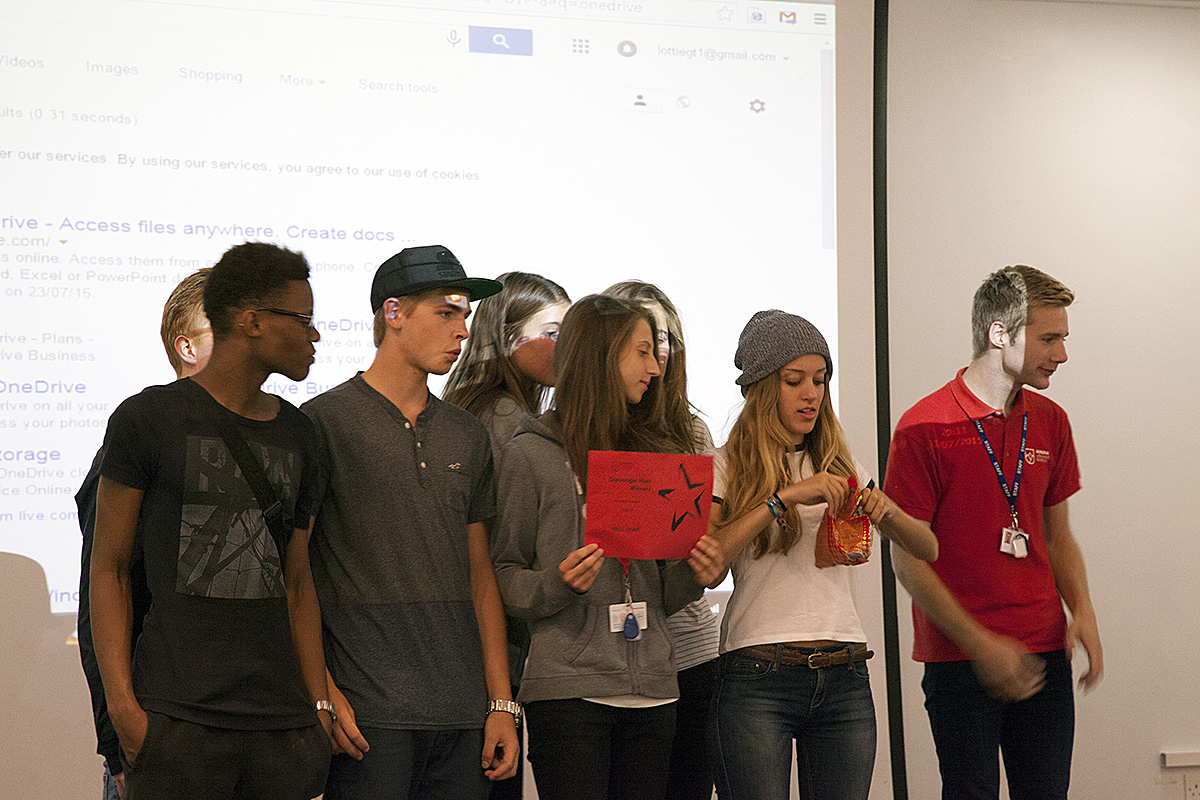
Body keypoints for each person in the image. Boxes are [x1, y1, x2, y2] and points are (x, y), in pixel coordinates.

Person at [89, 242, 333, 799]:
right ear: (252, 321)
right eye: (302, 320)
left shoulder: (301, 434)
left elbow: (298, 585)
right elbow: (109, 571)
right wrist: (124, 712)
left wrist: (317, 709)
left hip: (281, 726)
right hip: (178, 718)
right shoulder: (148, 418)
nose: (315, 336)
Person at [303, 245, 519, 800]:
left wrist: (501, 703)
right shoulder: (322, 423)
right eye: (446, 313)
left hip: (462, 714)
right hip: (368, 717)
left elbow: (480, 575)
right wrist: (321, 691)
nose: (462, 331)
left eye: (464, 315)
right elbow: (293, 573)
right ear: (393, 313)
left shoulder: (466, 434)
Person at [884, 265, 1103, 800]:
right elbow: (906, 562)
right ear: (999, 334)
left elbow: (1058, 537)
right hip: (961, 660)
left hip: (1044, 652)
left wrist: (1083, 611)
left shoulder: (1050, 420)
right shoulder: (923, 427)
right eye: (1048, 339)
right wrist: (981, 645)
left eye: (1063, 339)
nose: (1062, 354)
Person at [701, 310, 937, 800]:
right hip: (757, 673)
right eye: (794, 380)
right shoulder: (724, 464)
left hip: (844, 672)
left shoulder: (839, 463)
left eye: (820, 379)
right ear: (761, 387)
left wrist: (886, 511)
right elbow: (709, 566)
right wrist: (782, 498)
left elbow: (928, 546)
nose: (811, 394)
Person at [491, 293, 713, 800]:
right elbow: (502, 574)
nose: (655, 368)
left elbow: (666, 592)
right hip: (568, 694)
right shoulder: (529, 455)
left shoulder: (655, 455)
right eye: (642, 352)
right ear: (601, 357)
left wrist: (699, 571)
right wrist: (558, 583)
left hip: (654, 691)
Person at [77, 268, 214, 800]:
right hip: (159, 735)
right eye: (224, 329)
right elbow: (103, 591)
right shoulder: (142, 437)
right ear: (186, 347)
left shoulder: (278, 436)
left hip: (246, 731)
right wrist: (119, 742)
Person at [443, 270, 570, 800]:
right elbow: (503, 550)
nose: (568, 346)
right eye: (553, 332)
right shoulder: (506, 418)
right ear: (506, 336)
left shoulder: (471, 407)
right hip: (494, 649)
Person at [602, 280, 718, 800]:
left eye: (664, 339)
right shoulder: (586, 433)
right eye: (642, 344)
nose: (656, 356)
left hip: (691, 655)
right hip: (612, 665)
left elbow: (701, 553)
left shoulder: (692, 434)